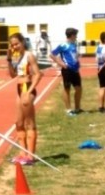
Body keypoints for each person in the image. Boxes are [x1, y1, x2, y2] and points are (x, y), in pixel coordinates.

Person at [7, 32, 42, 165]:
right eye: (12, 45)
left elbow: (38, 74)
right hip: (19, 89)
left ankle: (31, 156)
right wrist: (9, 59)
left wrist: (30, 91)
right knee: (19, 123)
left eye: (16, 44)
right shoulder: (16, 57)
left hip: (27, 89)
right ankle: (23, 153)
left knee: (29, 123)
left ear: (22, 42)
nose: (14, 46)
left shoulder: (29, 55)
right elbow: (12, 75)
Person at [50, 27, 82, 116]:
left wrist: (77, 57)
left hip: (75, 70)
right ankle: (68, 109)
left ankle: (77, 108)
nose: (76, 37)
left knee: (78, 88)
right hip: (67, 70)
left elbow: (72, 55)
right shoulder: (63, 45)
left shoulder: (74, 44)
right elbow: (52, 54)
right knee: (67, 89)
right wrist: (61, 63)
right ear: (72, 35)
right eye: (75, 35)